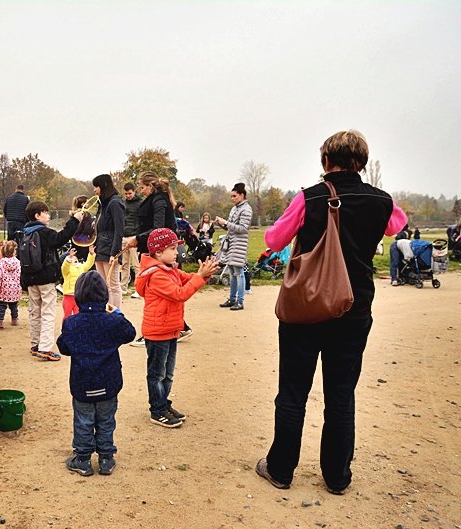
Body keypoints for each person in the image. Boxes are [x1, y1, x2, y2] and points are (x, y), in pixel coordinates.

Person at [255, 129, 407, 496]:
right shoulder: (382, 200)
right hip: (354, 307)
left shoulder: (310, 198)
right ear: (363, 164)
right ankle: (337, 476)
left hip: (306, 307)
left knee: (292, 391)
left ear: (326, 161)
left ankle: (280, 469)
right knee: (341, 393)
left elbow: (273, 240)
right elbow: (395, 226)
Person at [135, 228, 219, 427]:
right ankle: (157, 410)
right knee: (157, 374)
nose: (177, 252)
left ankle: (164, 404)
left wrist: (202, 274)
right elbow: (180, 293)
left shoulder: (169, 268)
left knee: (168, 373)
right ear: (157, 253)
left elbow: (188, 279)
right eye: (172, 248)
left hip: (170, 330)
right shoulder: (157, 275)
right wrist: (200, 277)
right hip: (157, 333)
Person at [57, 271, 136, 476]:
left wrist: (67, 330)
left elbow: (64, 348)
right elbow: (130, 333)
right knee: (107, 419)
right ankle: (106, 458)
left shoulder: (72, 323)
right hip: (108, 383)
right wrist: (117, 313)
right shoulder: (113, 321)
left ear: (78, 297)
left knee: (83, 420)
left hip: (82, 383)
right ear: (105, 296)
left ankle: (82, 459)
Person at [125, 172, 192, 343]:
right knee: (155, 292)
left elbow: (158, 228)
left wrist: (138, 238)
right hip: (154, 250)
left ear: (150, 186)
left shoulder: (159, 201)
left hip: (160, 252)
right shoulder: (155, 200)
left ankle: (166, 329)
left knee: (157, 291)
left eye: (142, 187)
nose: (141, 191)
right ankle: (175, 327)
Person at [21, 200, 83, 361]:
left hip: (30, 278)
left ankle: (35, 344)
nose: (48, 215)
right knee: (48, 312)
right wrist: (74, 220)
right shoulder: (44, 232)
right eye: (45, 212)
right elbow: (60, 238)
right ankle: (45, 348)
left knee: (35, 312)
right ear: (37, 215)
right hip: (46, 278)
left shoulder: (25, 233)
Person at [214, 183, 253, 311]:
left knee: (239, 272)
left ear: (242, 195)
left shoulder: (246, 209)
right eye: (231, 196)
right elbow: (230, 227)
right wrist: (221, 224)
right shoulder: (234, 208)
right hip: (231, 243)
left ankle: (240, 301)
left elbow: (243, 228)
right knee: (231, 271)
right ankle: (232, 299)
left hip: (239, 244)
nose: (232, 198)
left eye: (234, 196)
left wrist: (226, 222)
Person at [92, 174, 125, 309]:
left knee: (113, 285)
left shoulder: (115, 202)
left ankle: (115, 313)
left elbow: (119, 229)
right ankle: (105, 311)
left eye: (96, 186)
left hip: (110, 248)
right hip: (100, 247)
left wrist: (114, 252)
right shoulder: (103, 203)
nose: (94, 190)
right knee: (103, 285)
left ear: (103, 186)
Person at [61, 245, 95, 318]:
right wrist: (69, 258)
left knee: (78, 315)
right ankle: (65, 329)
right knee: (67, 315)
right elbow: (64, 266)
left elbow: (88, 264)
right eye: (71, 259)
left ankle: (77, 328)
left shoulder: (81, 267)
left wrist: (91, 254)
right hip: (68, 296)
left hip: (79, 296)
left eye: (75, 259)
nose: (74, 260)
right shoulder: (66, 270)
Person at [120, 183, 142, 296]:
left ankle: (138, 288)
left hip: (134, 236)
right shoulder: (123, 203)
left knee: (136, 264)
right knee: (124, 264)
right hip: (124, 235)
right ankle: (123, 287)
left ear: (134, 191)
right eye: (126, 193)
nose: (128, 195)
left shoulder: (140, 203)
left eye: (130, 193)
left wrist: (138, 236)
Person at [0, 240, 21, 328]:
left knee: (2, 305)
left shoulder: (0, 264)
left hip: (4, 288)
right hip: (15, 288)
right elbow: (20, 274)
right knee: (14, 305)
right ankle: (14, 319)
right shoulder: (18, 262)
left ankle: (0, 320)